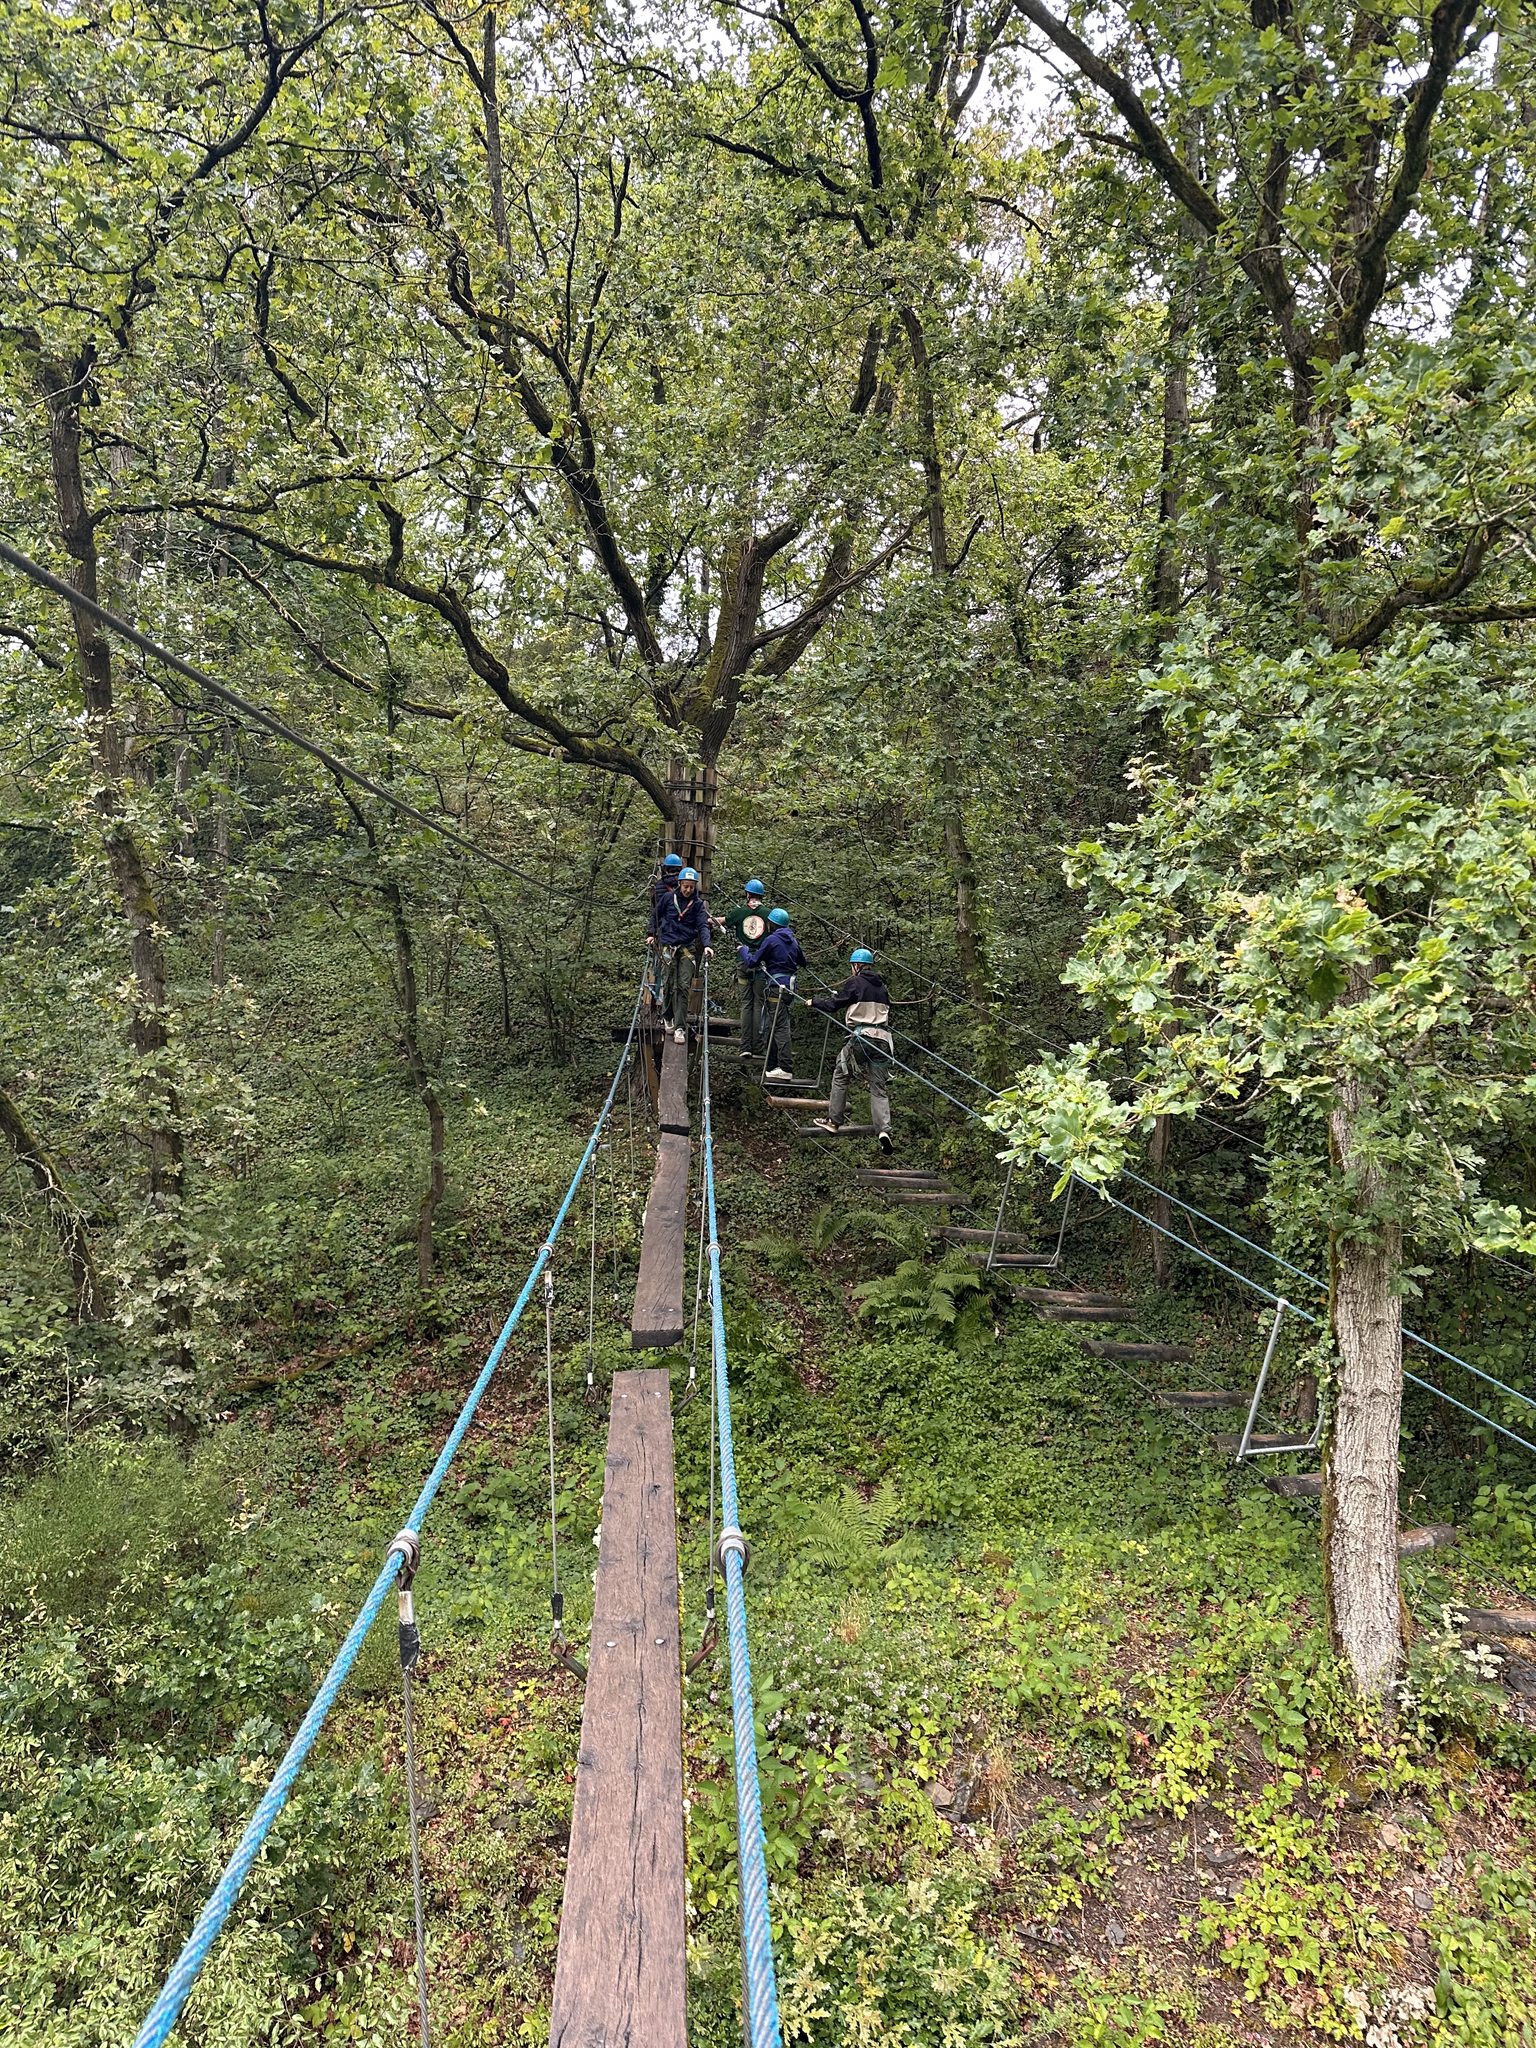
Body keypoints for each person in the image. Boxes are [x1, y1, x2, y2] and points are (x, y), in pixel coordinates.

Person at [805, 948, 895, 1152]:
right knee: (878, 1088)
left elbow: (834, 1004)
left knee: (841, 1073)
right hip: (883, 1041)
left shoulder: (855, 982)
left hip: (862, 1038)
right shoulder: (882, 988)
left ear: (857, 966)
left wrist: (814, 1002)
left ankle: (833, 1120)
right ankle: (884, 1130)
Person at [647, 865, 713, 1041]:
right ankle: (667, 1016)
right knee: (668, 984)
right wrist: (651, 934)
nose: (688, 890)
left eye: (691, 887)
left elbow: (702, 925)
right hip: (668, 946)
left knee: (683, 986)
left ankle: (680, 1027)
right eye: (685, 886)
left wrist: (707, 944)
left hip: (686, 948)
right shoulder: (668, 898)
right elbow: (655, 915)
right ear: (680, 884)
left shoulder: (697, 905)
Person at [739, 906, 805, 1079]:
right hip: (789, 987)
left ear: (772, 924)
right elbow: (803, 961)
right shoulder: (793, 940)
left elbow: (752, 962)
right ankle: (772, 1065)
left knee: (780, 1027)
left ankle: (786, 1067)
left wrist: (743, 951)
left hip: (776, 987)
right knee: (773, 1025)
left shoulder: (772, 940)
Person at [718, 879, 770, 1057]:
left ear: (747, 894)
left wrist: (705, 919)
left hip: (743, 964)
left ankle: (745, 1046)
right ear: (761, 896)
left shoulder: (739, 913)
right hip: (762, 965)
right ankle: (758, 1047)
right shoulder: (769, 915)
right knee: (759, 1004)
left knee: (746, 1005)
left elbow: (721, 921)